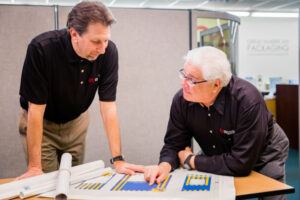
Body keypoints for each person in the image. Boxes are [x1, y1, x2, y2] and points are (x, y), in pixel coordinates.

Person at [17, 1, 144, 180]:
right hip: (43, 125)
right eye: (96, 42)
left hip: (76, 124)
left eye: (106, 40)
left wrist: (118, 160)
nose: (102, 48)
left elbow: (108, 107)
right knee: (47, 182)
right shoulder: (42, 49)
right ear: (74, 34)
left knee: (72, 181)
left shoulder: (108, 52)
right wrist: (34, 167)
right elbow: (36, 110)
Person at [144, 46, 289, 200]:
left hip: (264, 151)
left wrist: (191, 160)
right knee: (212, 194)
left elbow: (241, 163)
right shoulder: (181, 100)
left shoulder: (247, 100)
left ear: (216, 84)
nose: (183, 84)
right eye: (183, 75)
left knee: (271, 194)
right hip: (219, 150)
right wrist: (164, 165)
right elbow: (174, 144)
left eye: (191, 79)